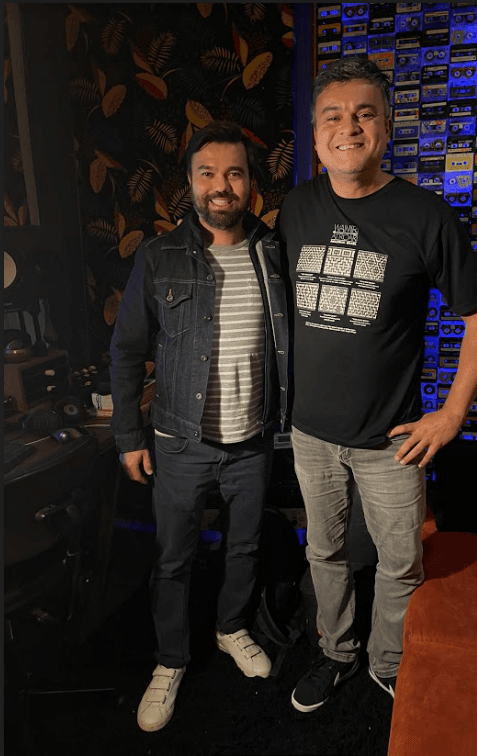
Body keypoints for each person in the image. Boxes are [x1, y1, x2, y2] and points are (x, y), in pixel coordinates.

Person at [276, 57, 477, 713]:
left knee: (401, 563)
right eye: (333, 116)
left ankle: (388, 662)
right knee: (324, 554)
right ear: (316, 134)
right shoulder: (294, 209)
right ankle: (336, 654)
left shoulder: (425, 215)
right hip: (310, 433)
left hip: (391, 439)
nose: (347, 127)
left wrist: (450, 415)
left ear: (387, 125)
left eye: (363, 114)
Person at [109, 121, 289, 732]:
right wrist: (128, 437)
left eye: (234, 173)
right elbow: (127, 352)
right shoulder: (159, 256)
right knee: (173, 559)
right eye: (207, 173)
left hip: (253, 440)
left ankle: (230, 627)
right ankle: (170, 660)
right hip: (180, 441)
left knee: (244, 546)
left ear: (250, 183)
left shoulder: (273, 251)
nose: (221, 185)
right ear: (188, 182)